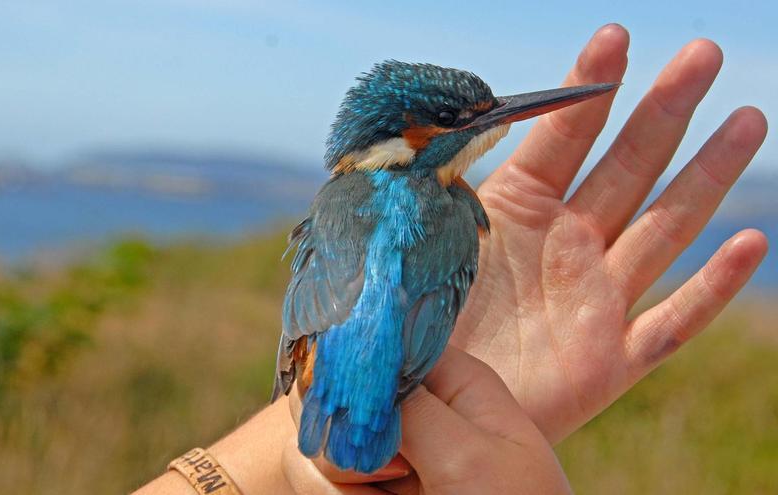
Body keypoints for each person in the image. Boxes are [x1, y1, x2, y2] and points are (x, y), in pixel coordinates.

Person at [135, 24, 769, 494]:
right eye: (458, 121)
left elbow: (309, 316)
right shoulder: (457, 215)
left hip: (329, 389)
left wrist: (279, 434)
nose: (492, 122)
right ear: (400, 140)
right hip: (392, 379)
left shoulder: (336, 200)